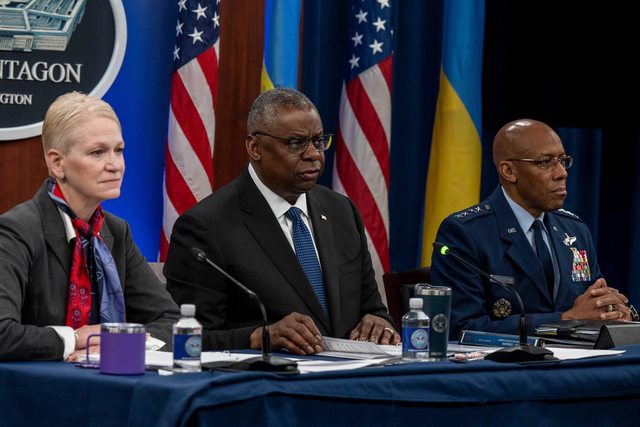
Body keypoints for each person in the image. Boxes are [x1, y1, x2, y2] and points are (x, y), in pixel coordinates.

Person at [164, 88, 398, 355]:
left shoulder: (342, 211)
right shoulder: (205, 227)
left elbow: (373, 308)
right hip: (267, 377)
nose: (313, 154)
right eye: (296, 143)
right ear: (255, 148)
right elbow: (187, 339)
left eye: (318, 141)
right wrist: (258, 337)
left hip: (351, 374)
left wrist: (379, 322)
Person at [0, 92, 180, 361]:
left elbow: (172, 322)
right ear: (57, 163)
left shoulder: (115, 231)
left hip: (105, 379)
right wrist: (75, 339)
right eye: (98, 152)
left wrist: (118, 344)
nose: (115, 165)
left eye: (118, 150)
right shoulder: (16, 230)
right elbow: (3, 333)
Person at [430, 118, 637, 340]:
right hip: (506, 361)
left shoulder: (574, 229)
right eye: (545, 162)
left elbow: (594, 304)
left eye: (563, 160)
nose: (562, 173)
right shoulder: (466, 233)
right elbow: (461, 328)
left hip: (578, 358)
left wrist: (614, 312)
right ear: (509, 171)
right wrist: (565, 319)